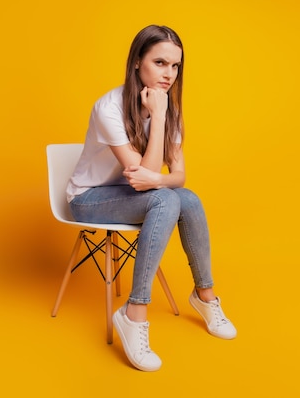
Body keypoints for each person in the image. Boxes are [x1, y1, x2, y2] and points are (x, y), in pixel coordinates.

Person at [66, 25, 236, 371]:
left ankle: (205, 296)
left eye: (175, 66)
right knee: (167, 200)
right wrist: (157, 117)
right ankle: (134, 312)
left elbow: (178, 176)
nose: (169, 74)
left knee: (187, 198)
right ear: (136, 63)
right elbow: (144, 178)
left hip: (131, 193)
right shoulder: (109, 107)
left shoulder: (168, 106)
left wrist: (158, 170)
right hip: (88, 197)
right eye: (160, 63)